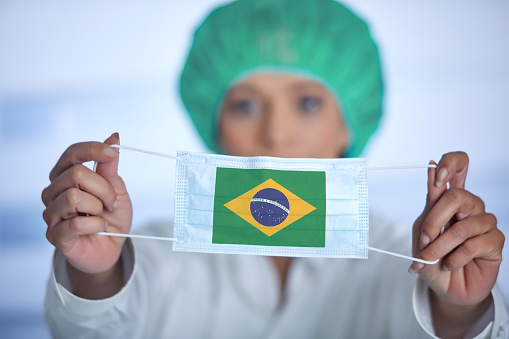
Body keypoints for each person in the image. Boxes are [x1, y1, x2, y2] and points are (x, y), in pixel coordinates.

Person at [42, 0, 508, 338]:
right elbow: (94, 328)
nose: (276, 135)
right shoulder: (158, 253)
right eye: (245, 105)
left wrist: (457, 310)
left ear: (350, 123)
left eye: (307, 103)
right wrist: (96, 276)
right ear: (215, 126)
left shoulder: (399, 258)